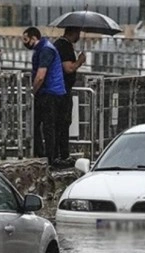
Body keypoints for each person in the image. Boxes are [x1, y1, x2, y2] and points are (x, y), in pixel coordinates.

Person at [22, 26, 66, 166]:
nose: (24, 42)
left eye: (25, 39)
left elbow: (40, 76)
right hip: (49, 92)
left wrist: (31, 92)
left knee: (47, 126)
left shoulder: (46, 49)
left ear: (34, 38)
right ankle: (44, 155)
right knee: (39, 124)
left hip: (49, 93)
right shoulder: (43, 48)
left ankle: (48, 158)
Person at [53, 27, 86, 166]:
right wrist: (80, 61)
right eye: (78, 32)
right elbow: (69, 68)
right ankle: (62, 155)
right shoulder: (64, 46)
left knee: (61, 123)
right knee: (63, 122)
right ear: (74, 33)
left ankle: (59, 154)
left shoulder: (59, 44)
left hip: (59, 89)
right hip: (63, 90)